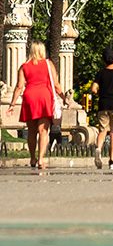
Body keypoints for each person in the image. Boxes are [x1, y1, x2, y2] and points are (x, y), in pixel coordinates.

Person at [5, 40, 64, 170]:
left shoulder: (24, 66)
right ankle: (41, 160)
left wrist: (12, 104)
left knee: (31, 131)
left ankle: (32, 157)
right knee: (43, 131)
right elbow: (56, 85)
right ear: (42, 50)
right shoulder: (48, 64)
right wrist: (64, 98)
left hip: (30, 98)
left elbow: (19, 86)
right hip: (44, 98)